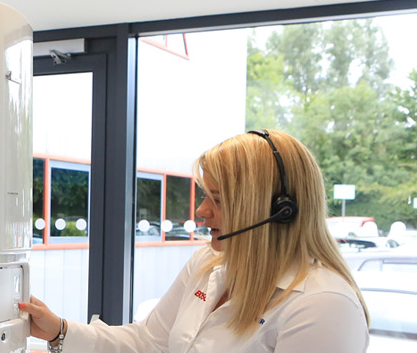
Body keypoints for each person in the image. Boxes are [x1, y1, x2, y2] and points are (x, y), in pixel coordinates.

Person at [19, 130, 370, 353]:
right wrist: (59, 331)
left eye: (218, 199)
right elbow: (147, 342)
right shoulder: (209, 265)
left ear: (279, 211)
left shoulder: (323, 306)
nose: (202, 211)